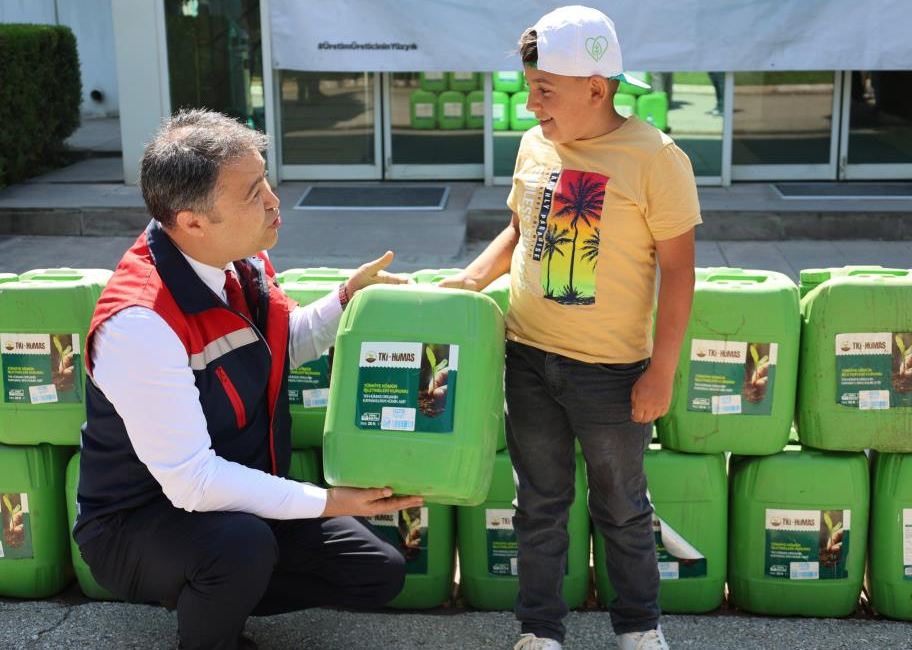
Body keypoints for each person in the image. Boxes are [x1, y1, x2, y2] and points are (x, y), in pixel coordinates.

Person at [74, 108, 421, 650]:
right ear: (191, 221)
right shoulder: (140, 322)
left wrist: (347, 299)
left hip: (235, 502)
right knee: (239, 547)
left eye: (267, 179)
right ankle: (211, 625)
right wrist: (332, 501)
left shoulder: (238, 262)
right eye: (252, 192)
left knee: (377, 571)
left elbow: (281, 344)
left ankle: (212, 589)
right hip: (141, 521)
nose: (274, 201)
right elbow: (193, 483)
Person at [439, 7, 700, 650]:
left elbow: (680, 273)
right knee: (539, 504)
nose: (529, 106)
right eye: (528, 89)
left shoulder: (656, 159)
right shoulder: (536, 146)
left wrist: (662, 370)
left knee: (621, 507)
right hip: (528, 358)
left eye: (543, 91)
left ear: (596, 85)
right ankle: (541, 632)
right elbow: (521, 231)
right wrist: (471, 279)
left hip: (611, 374)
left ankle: (639, 627)